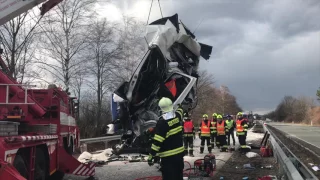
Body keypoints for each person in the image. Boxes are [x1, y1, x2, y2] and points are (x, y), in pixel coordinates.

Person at [148, 97, 184, 180]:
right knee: (179, 176)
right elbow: (180, 111)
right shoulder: (177, 117)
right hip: (179, 156)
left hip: (168, 158)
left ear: (161, 108)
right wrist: (179, 105)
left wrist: (151, 155)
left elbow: (157, 142)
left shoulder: (162, 123)